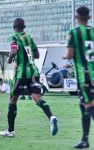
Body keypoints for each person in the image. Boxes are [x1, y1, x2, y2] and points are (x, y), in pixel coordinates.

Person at [0, 18, 58, 137]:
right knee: (37, 97)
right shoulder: (29, 37)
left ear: (14, 27)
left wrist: (10, 58)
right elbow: (37, 54)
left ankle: (10, 131)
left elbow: (14, 51)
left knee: (12, 99)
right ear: (24, 27)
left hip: (22, 73)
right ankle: (51, 117)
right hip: (33, 72)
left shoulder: (14, 37)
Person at [64, 6, 94, 149]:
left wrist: (64, 56)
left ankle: (84, 139)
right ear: (89, 17)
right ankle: (85, 139)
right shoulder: (93, 32)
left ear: (76, 17)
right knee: (84, 106)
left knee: (89, 105)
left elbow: (69, 55)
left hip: (84, 75)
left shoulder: (74, 32)